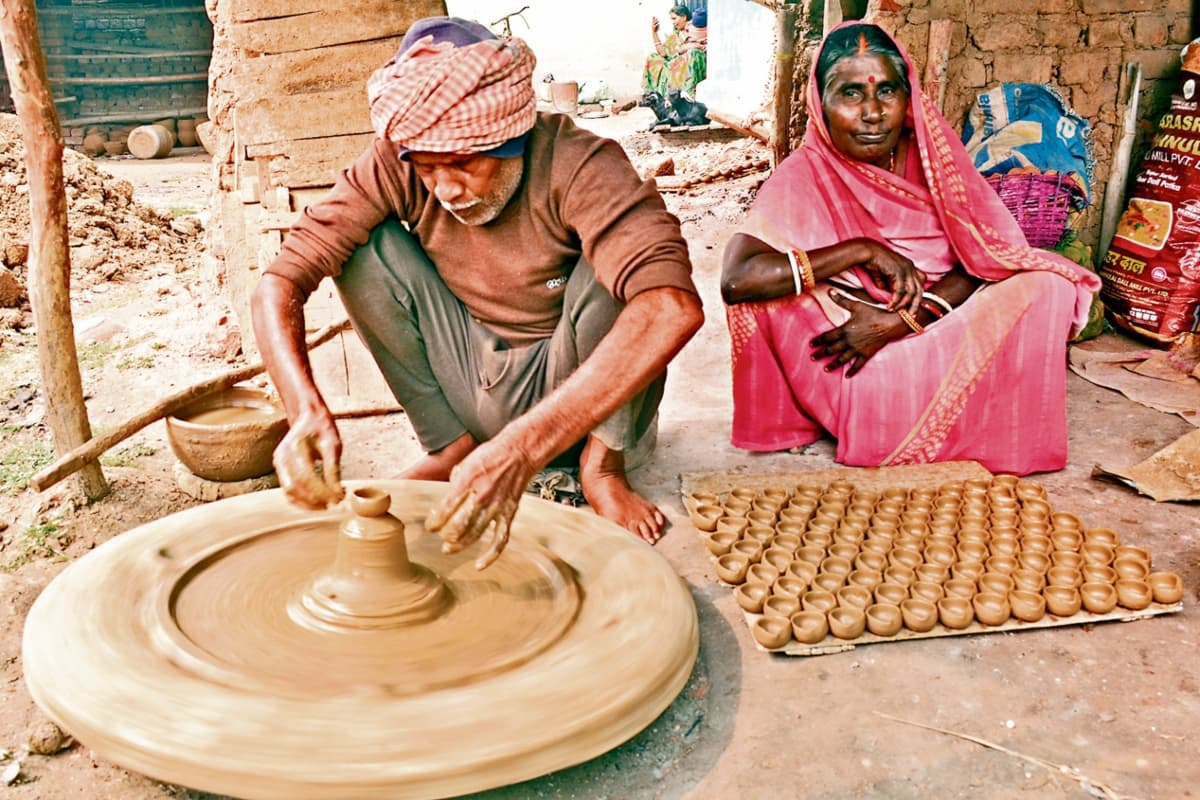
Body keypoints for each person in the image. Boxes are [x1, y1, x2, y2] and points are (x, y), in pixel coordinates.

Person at [252, 17, 704, 568]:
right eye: (426, 167)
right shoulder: (396, 163)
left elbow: (671, 307)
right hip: (475, 381)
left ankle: (601, 469)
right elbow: (280, 281)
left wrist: (522, 449)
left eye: (465, 163)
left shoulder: (581, 163)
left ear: (511, 136)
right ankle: (451, 449)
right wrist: (304, 409)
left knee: (623, 274)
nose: (445, 188)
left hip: (586, 397)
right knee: (364, 252)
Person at [720, 23, 1100, 476]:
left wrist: (902, 322)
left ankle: (943, 422)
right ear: (820, 106)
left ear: (908, 98)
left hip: (932, 328)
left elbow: (983, 255)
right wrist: (860, 251)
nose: (874, 112)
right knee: (764, 294)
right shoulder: (806, 173)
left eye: (887, 92)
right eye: (851, 94)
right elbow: (736, 279)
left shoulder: (933, 158)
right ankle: (876, 415)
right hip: (855, 353)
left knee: (1047, 287)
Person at [642, 4, 707, 100]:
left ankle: (688, 95)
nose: (673, 22)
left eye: (674, 19)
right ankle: (652, 96)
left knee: (692, 54)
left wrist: (693, 46)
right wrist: (654, 32)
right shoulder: (675, 35)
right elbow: (663, 53)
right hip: (675, 62)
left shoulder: (697, 29)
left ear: (684, 17)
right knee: (652, 57)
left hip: (690, 61)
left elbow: (703, 44)